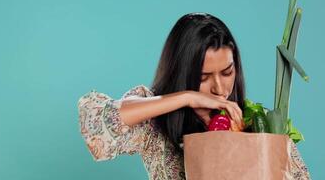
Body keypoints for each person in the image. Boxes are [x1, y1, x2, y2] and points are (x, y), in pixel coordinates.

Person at [78, 13, 311, 180]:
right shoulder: (155, 127)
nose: (219, 88)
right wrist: (186, 98)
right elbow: (99, 123)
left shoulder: (259, 127)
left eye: (227, 72)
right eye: (203, 77)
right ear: (181, 74)